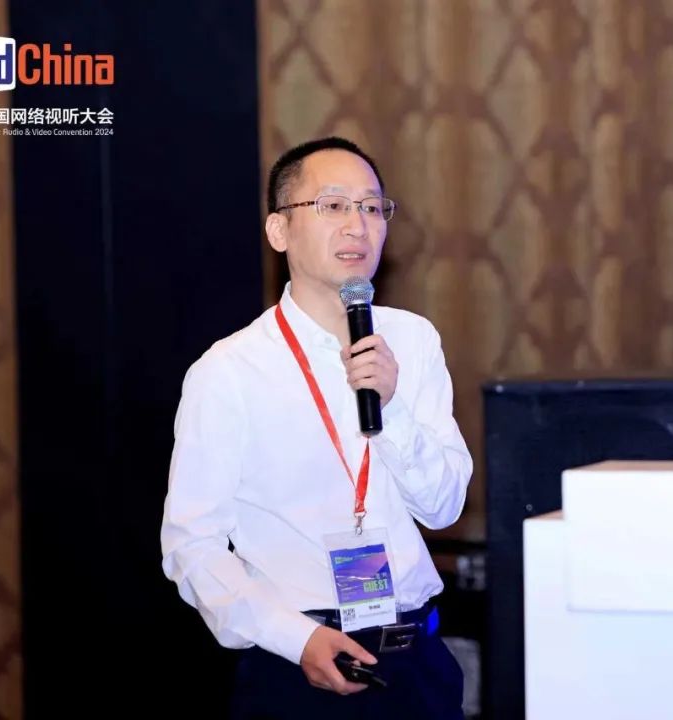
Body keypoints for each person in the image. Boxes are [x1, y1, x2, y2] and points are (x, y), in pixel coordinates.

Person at [160, 137, 472, 719]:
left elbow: (445, 505)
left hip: (418, 664)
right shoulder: (229, 370)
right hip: (299, 671)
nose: (358, 225)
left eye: (372, 207)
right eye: (332, 205)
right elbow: (192, 545)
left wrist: (391, 405)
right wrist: (295, 638)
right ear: (279, 230)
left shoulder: (412, 341)